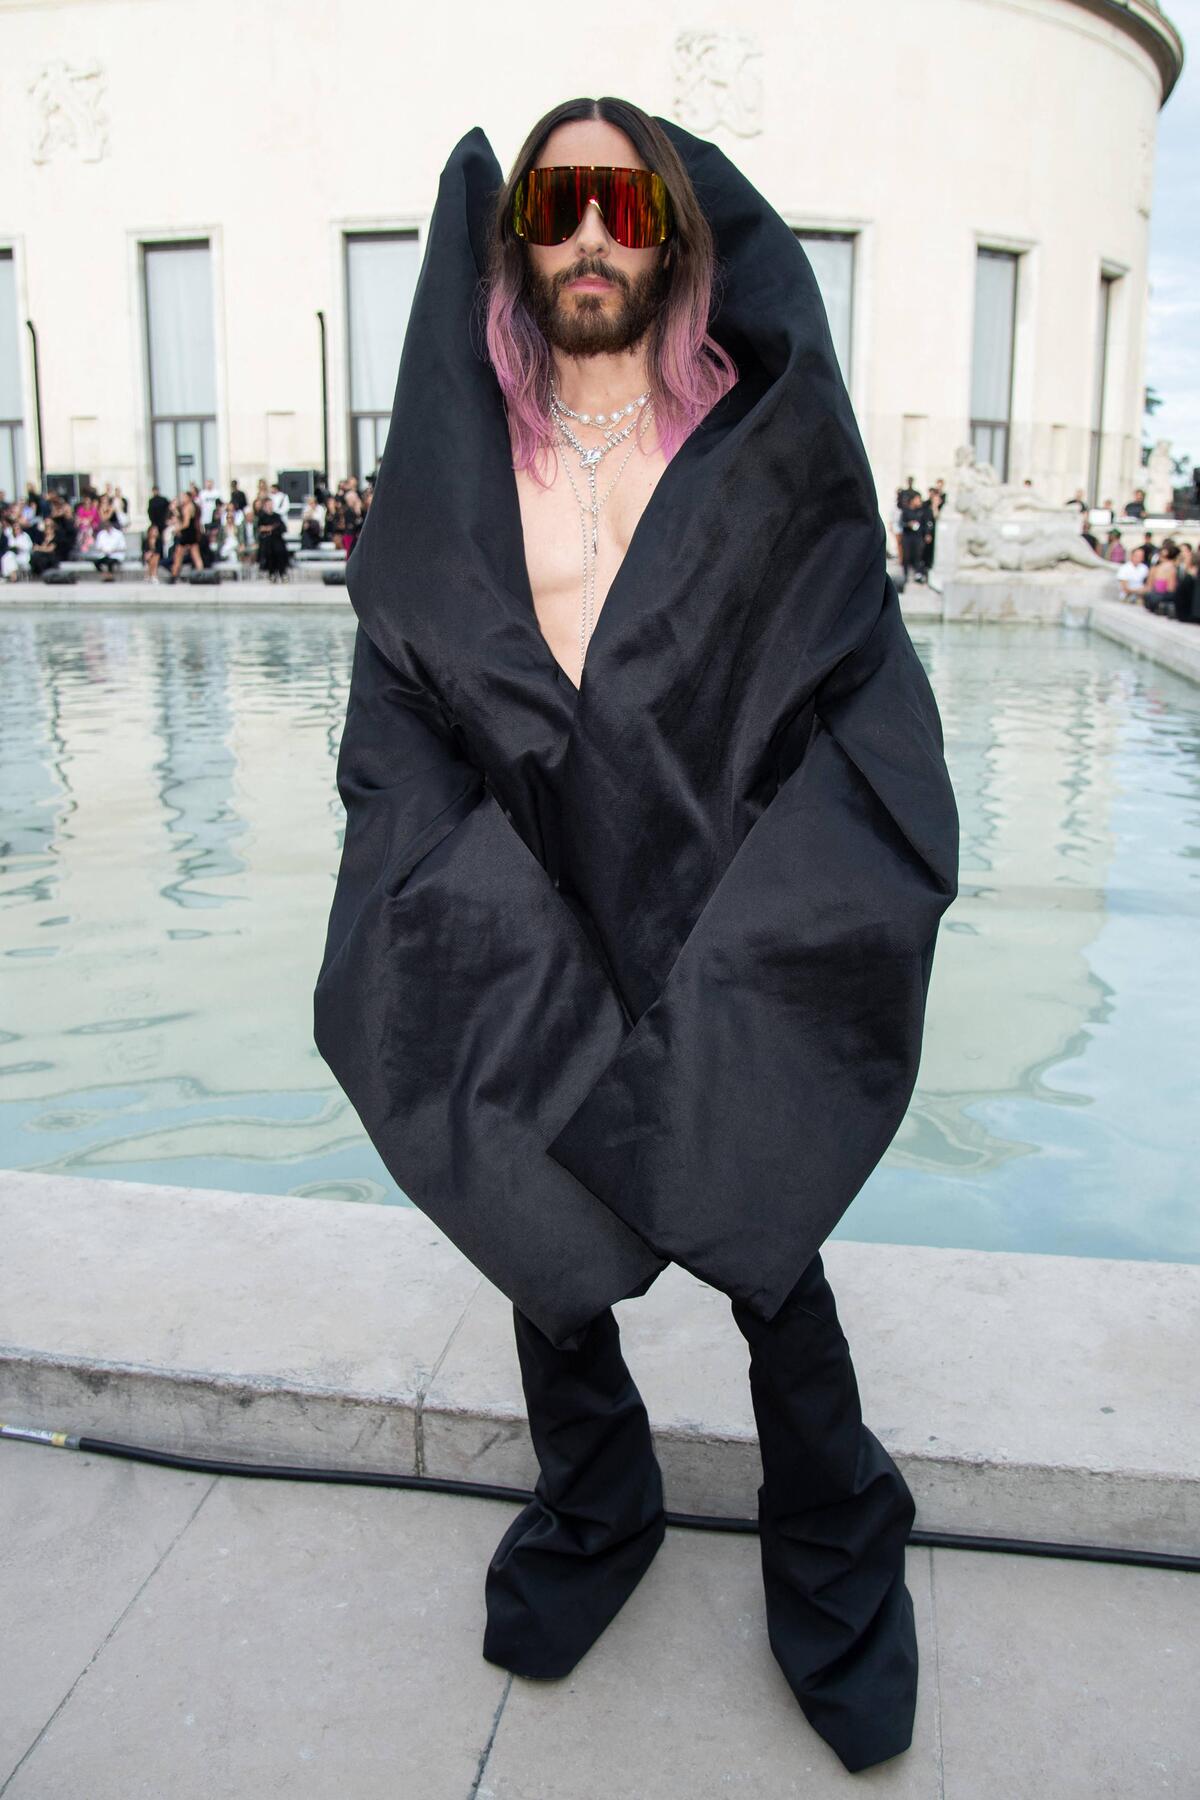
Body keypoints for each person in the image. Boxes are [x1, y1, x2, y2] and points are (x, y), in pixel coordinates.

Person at [312, 99, 959, 1778]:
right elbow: (400, 715)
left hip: (722, 917)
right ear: (518, 233)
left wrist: (788, 938)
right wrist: (466, 929)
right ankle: (598, 1498)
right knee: (545, 1255)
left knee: (774, 1264)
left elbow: (860, 695)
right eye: (555, 195)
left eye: (622, 197)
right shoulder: (468, 471)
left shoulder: (758, 444)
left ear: (666, 227)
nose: (590, 226)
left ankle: (831, 1529)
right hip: (525, 916)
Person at [169, 491, 203, 580]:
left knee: (178, 554)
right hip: (192, 533)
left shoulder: (188, 507)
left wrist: (177, 529)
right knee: (195, 554)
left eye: (184, 497)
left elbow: (186, 523)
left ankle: (174, 575)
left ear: (188, 497)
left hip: (187, 533)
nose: (182, 499)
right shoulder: (191, 506)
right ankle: (201, 574)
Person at [255, 496, 290, 581]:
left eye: (271, 504)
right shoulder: (262, 516)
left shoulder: (277, 516)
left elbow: (282, 528)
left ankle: (282, 573)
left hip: (277, 538)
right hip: (267, 540)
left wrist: (271, 529)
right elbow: (259, 528)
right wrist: (268, 528)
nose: (270, 506)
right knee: (269, 552)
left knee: (280, 551)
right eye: (268, 504)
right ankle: (272, 573)